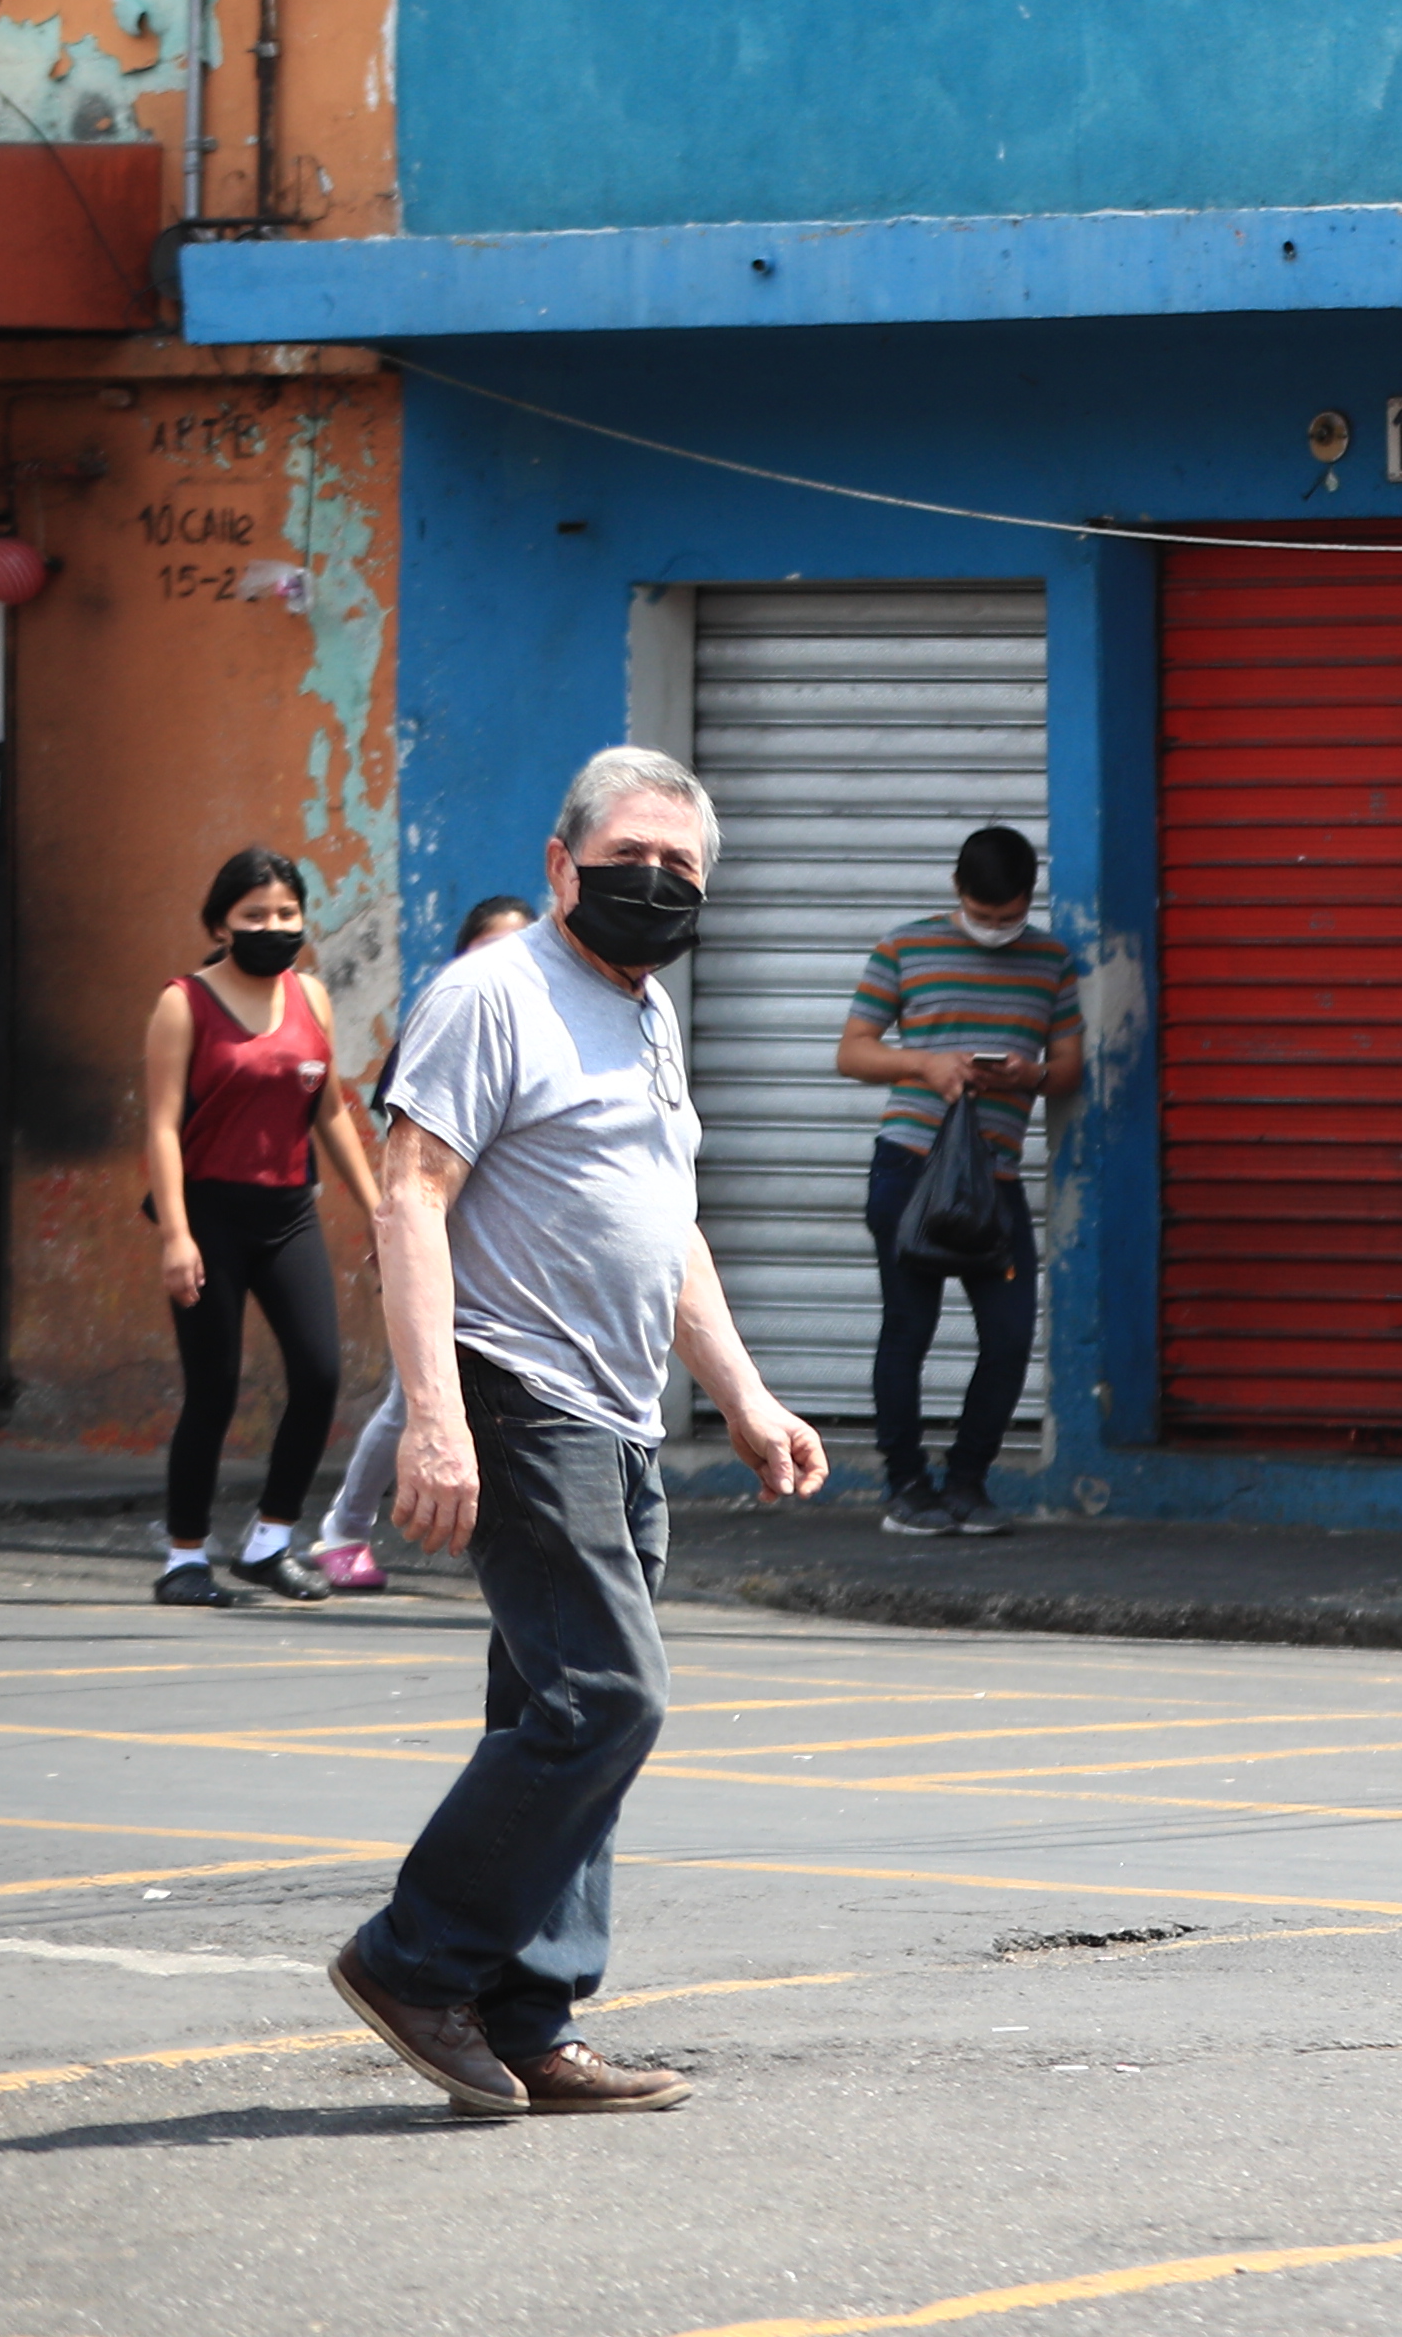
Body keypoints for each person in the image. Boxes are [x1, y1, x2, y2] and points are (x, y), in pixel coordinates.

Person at [328, 747, 825, 2120]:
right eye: (629, 863)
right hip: (517, 1393)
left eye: (682, 872)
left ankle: (528, 2012)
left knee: (549, 1711)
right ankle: (411, 1959)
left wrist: (742, 1391)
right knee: (612, 1698)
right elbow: (409, 1198)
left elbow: (664, 1234)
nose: (656, 888)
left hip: (617, 1414)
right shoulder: (494, 996)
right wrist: (435, 1420)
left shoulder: (647, 1015)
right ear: (561, 866)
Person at [131, 848, 376, 1605]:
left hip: (287, 1212)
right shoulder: (184, 1003)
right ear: (220, 924)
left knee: (319, 1376)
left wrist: (378, 1212)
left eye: (286, 915)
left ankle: (270, 1541)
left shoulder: (311, 996)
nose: (273, 928)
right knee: (214, 1390)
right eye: (254, 917)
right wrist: (176, 1235)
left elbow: (327, 1107)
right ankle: (183, 1558)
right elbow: (163, 1127)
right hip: (208, 1214)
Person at [837, 824, 1084, 1539]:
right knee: (908, 1329)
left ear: (1029, 900)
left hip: (994, 1178)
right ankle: (907, 1487)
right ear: (958, 891)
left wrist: (1029, 1074)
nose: (997, 929)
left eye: (1009, 918)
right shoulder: (905, 947)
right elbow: (853, 1053)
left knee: (1009, 1335)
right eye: (983, 915)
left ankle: (969, 1483)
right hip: (910, 1169)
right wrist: (926, 1065)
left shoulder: (1051, 960)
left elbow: (1068, 1069)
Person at [312, 895, 543, 1594]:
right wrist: (398, 1240)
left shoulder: (551, 1030)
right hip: (443, 1247)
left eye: (521, 949)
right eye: (488, 950)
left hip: (517, 1259)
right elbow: (406, 1162)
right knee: (410, 1398)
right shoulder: (443, 1025)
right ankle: (344, 1530)